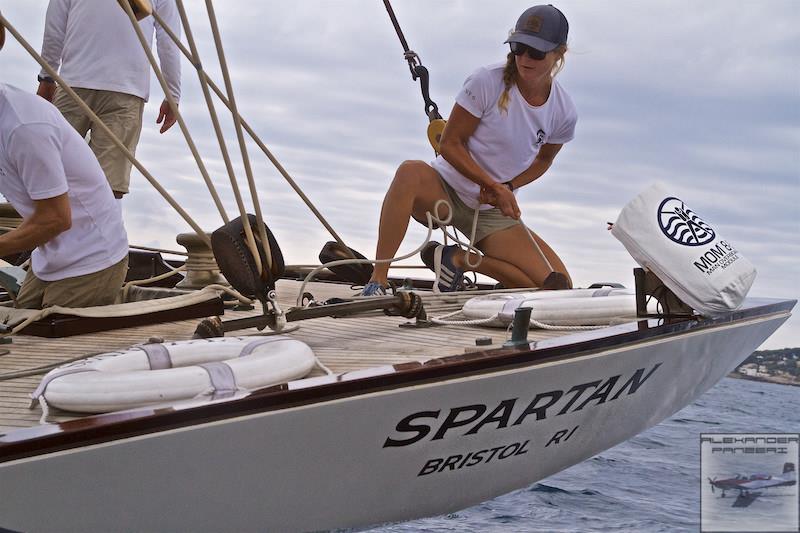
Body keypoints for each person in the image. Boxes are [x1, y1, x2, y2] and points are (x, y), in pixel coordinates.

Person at [362, 5, 577, 296]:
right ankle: (378, 280)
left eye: (536, 52)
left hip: (491, 211)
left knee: (558, 287)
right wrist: (492, 185)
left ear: (559, 53)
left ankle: (458, 260)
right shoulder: (486, 80)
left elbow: (544, 159)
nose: (524, 58)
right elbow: (450, 144)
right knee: (409, 172)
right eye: (519, 47)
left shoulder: (563, 111)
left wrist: (509, 187)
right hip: (445, 191)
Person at [0, 20, 129, 309]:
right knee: (18, 325)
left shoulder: (24, 126)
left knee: (31, 343)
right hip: (49, 257)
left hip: (93, 258)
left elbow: (56, 218)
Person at [36, 0, 181, 199]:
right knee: (107, 189)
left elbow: (55, 27)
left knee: (49, 177)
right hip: (126, 91)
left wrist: (47, 76)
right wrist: (172, 93)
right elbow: (169, 41)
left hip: (74, 83)